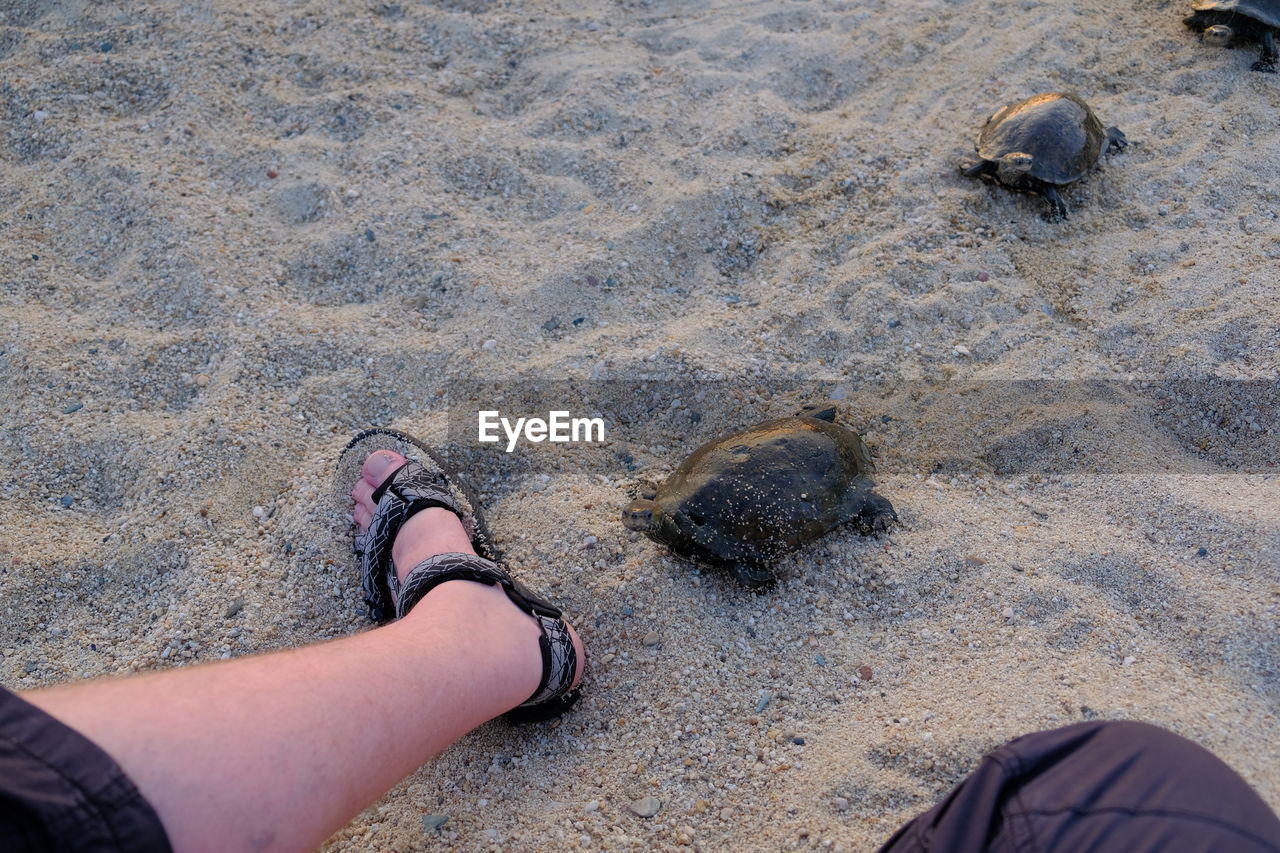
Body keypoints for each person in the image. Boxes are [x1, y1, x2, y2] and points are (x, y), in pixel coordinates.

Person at [3, 434, 1279, 853]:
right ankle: (494, 642)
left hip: (704, 509)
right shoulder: (848, 467)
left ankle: (484, 634)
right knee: (1130, 781)